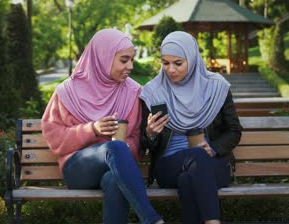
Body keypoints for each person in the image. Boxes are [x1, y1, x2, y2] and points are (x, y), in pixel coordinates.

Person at [42, 28, 164, 224]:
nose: (130, 66)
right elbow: (54, 138)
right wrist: (93, 130)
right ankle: (152, 219)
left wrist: (130, 144)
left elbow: (134, 140)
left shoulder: (132, 92)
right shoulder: (67, 92)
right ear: (103, 57)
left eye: (132, 60)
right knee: (114, 147)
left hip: (118, 169)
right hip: (78, 169)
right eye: (124, 60)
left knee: (114, 179)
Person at [140, 31, 242, 224]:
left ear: (193, 59)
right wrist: (150, 134)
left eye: (178, 63)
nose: (170, 69)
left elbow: (234, 131)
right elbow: (144, 144)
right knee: (196, 155)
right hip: (168, 165)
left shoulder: (216, 87)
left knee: (188, 179)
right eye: (165, 63)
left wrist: (212, 149)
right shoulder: (153, 92)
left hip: (213, 164)